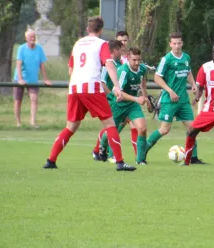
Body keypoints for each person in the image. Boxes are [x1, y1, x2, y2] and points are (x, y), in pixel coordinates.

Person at [43, 16, 135, 171]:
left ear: (88, 29)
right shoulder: (101, 44)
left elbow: (70, 69)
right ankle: (120, 162)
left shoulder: (78, 44)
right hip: (91, 87)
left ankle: (51, 160)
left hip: (74, 88)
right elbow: (110, 64)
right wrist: (117, 87)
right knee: (110, 124)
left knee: (70, 126)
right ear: (100, 30)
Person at [145, 32, 206, 164]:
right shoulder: (166, 59)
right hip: (170, 100)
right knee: (165, 129)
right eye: (174, 43)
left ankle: (193, 158)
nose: (177, 46)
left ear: (182, 43)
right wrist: (170, 91)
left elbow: (188, 72)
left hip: (183, 100)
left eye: (179, 43)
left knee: (192, 129)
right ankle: (143, 151)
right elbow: (157, 77)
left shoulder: (186, 57)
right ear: (170, 44)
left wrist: (193, 84)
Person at [97, 48, 150, 165]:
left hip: (132, 106)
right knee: (112, 130)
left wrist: (145, 97)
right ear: (128, 58)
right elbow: (118, 92)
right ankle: (103, 145)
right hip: (118, 105)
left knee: (142, 128)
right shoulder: (123, 71)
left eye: (139, 60)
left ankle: (140, 160)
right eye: (134, 60)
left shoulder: (142, 68)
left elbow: (143, 82)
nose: (137, 63)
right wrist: (137, 98)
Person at [90, 39, 123, 160]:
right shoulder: (107, 64)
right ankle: (103, 151)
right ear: (115, 50)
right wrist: (112, 95)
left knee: (116, 125)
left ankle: (103, 151)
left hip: (120, 99)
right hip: (111, 99)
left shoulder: (120, 63)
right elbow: (102, 83)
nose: (122, 53)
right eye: (121, 50)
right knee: (112, 125)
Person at [13, 29, 52, 128]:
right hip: (20, 78)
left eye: (34, 37)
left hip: (33, 80)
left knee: (34, 99)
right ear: (26, 38)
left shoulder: (39, 49)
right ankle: (18, 122)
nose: (33, 39)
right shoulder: (21, 48)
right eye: (30, 37)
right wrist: (20, 79)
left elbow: (42, 65)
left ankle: (33, 122)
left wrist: (45, 79)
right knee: (18, 100)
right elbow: (18, 64)